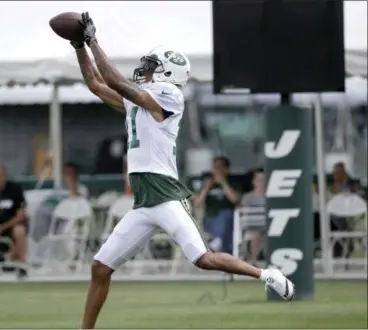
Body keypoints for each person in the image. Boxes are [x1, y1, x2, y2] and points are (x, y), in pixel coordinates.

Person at [71, 12, 295, 329]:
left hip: (165, 195)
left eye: (150, 65)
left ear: (166, 71)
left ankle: (266, 274)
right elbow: (96, 83)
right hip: (144, 201)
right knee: (100, 268)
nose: (144, 69)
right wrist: (79, 44)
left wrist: (93, 39)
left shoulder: (169, 94)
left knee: (203, 258)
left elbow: (114, 81)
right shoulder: (140, 101)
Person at [193, 157, 239, 253]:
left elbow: (234, 199)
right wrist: (206, 189)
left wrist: (223, 183)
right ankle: (218, 243)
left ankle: (217, 243)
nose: (217, 171)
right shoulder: (207, 182)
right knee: (223, 227)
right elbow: (197, 204)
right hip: (211, 218)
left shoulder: (233, 182)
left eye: (220, 167)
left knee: (226, 216)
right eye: (215, 168)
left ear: (227, 169)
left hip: (229, 219)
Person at [240, 168, 266, 266]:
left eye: (263, 180)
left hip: (268, 226)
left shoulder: (271, 196)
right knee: (255, 233)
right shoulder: (247, 197)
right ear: (254, 181)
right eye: (259, 180)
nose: (261, 183)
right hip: (252, 226)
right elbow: (244, 214)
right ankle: (254, 261)